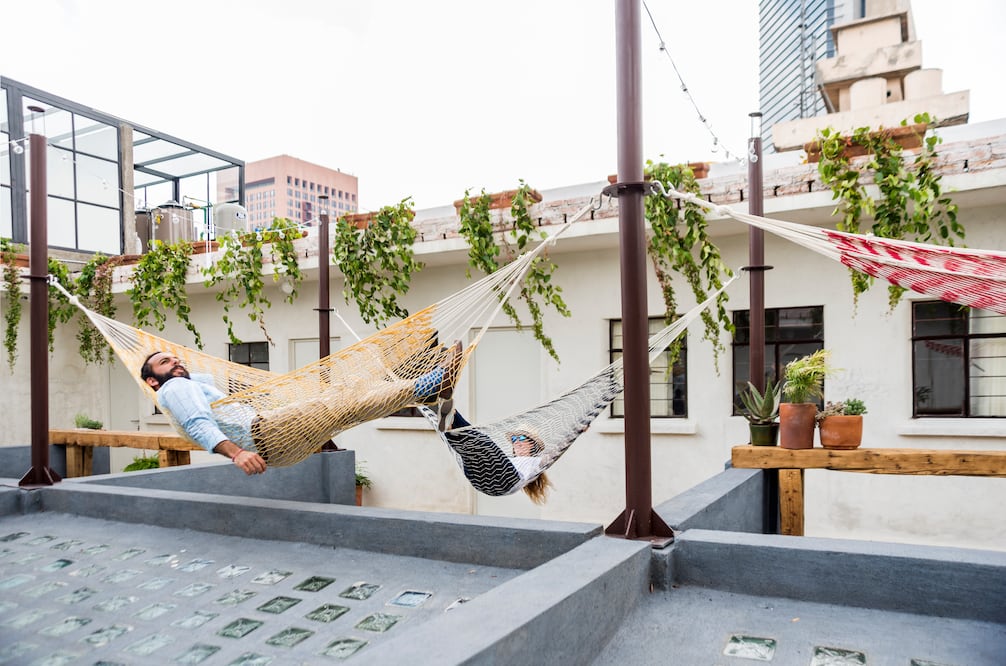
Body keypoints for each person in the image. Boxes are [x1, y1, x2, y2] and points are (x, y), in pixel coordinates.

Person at [141, 342, 461, 476]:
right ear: (153, 381)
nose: (176, 362)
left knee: (351, 406)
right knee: (346, 395)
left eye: (176, 357)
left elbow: (201, 384)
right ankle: (430, 384)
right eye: (165, 362)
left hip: (277, 447)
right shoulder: (174, 388)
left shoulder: (183, 385)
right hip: (266, 433)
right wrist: (236, 454)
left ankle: (427, 389)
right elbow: (198, 423)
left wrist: (179, 368)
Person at [433, 400, 553, 504]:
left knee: (484, 443)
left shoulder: (536, 462)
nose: (517, 442)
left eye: (522, 438)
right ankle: (448, 418)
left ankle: (452, 416)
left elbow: (553, 453)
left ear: (533, 444)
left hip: (506, 480)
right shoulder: (510, 459)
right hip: (479, 478)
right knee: (469, 449)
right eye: (514, 439)